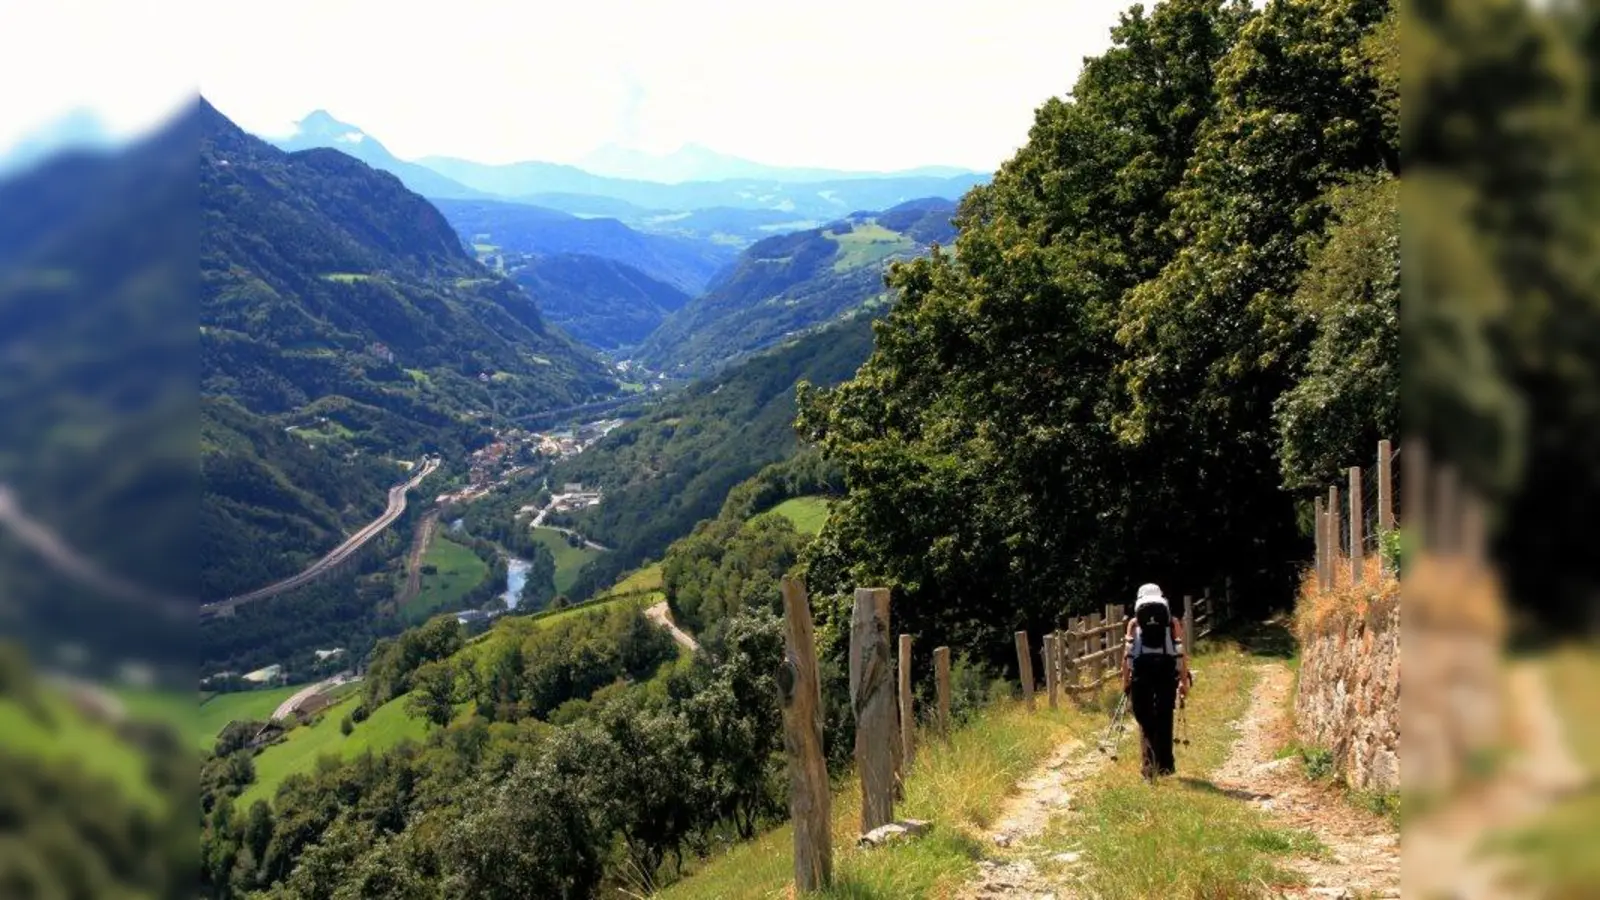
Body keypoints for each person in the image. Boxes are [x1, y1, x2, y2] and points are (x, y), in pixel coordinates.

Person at [1120, 583, 1191, 781]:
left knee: (1144, 717)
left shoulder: (1134, 623)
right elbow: (1180, 652)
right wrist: (1183, 680)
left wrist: (1125, 680)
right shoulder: (1172, 622)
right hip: (1166, 670)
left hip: (1141, 670)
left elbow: (1127, 654)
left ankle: (1149, 769)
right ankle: (1166, 766)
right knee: (1165, 714)